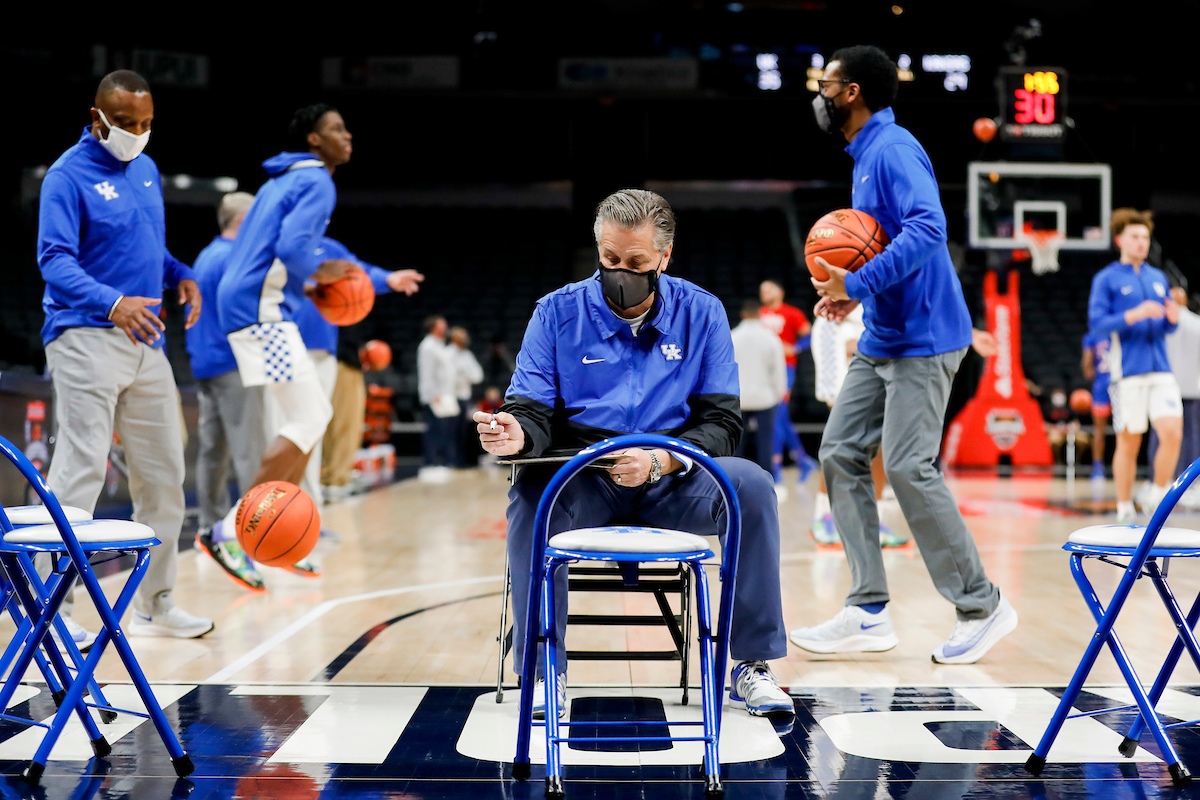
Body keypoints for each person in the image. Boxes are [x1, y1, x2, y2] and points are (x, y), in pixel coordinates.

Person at [475, 189, 792, 721]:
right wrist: (515, 435)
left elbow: (722, 423)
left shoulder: (704, 312)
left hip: (673, 474)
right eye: (610, 260)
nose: (621, 272)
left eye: (637, 263)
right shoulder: (554, 314)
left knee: (753, 487)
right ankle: (542, 662)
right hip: (584, 475)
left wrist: (664, 460)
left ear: (664, 259)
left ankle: (751, 664)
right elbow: (529, 410)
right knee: (531, 494)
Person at [788, 46, 1016, 664]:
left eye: (827, 84)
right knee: (838, 451)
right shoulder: (865, 157)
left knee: (911, 465)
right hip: (885, 332)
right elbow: (876, 250)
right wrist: (848, 298)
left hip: (926, 337)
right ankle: (867, 610)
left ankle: (982, 604)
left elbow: (927, 228)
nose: (821, 94)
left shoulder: (892, 149)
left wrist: (854, 284)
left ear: (853, 91)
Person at [37, 69, 214, 640]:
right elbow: (55, 260)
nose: (138, 133)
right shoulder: (66, 176)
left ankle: (155, 604)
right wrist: (113, 303)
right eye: (126, 123)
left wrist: (181, 273)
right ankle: (53, 613)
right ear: (97, 118)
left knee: (165, 476)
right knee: (80, 468)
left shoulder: (146, 169)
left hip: (147, 340)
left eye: (146, 124)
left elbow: (146, 246)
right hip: (85, 334)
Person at [214, 103, 364, 548]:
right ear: (314, 140)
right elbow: (295, 249)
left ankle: (278, 525)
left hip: (252, 301)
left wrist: (309, 283)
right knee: (311, 414)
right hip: (258, 308)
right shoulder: (316, 179)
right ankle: (232, 530)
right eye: (337, 128)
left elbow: (278, 251)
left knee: (311, 416)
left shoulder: (285, 179)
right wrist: (327, 271)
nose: (347, 135)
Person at [187, 192, 270, 591]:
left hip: (204, 362)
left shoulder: (207, 255)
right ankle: (254, 540)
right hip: (233, 362)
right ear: (243, 220)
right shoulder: (234, 258)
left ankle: (210, 528)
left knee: (213, 451)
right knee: (249, 454)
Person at [1089, 209, 1183, 523]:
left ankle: (1155, 495)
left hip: (1161, 369)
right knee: (1130, 440)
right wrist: (1133, 314)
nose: (1142, 242)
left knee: (1172, 432)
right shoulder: (1106, 279)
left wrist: (1171, 319)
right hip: (1126, 371)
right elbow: (1097, 324)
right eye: (1135, 237)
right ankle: (1124, 505)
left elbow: (1167, 327)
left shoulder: (1157, 277)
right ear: (1120, 240)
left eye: (1145, 237)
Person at [759, 280, 818, 494]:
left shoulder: (791, 313)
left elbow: (810, 335)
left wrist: (795, 347)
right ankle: (803, 460)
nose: (764, 293)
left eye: (769, 289)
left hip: (785, 370)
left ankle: (777, 471)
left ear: (780, 291)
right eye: (762, 290)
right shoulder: (761, 313)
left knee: (776, 417)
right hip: (764, 372)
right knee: (779, 417)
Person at [730, 300, 787, 476]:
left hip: (739, 398)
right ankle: (768, 481)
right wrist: (779, 394)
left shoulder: (732, 336)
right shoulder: (771, 338)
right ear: (760, 315)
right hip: (765, 398)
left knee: (737, 444)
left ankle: (734, 481)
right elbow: (778, 370)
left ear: (743, 315)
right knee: (765, 444)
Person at [417, 315, 459, 479]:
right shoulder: (427, 346)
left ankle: (441, 462)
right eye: (442, 325)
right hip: (435, 397)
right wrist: (432, 395)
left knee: (444, 431)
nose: (446, 328)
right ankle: (430, 463)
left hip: (446, 396)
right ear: (434, 328)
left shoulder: (440, 345)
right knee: (433, 431)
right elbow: (426, 373)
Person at [449, 326, 485, 466]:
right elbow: (449, 377)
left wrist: (464, 375)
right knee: (451, 432)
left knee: (463, 432)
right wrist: (463, 376)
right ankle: (451, 461)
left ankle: (461, 461)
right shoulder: (448, 354)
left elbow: (478, 375)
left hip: (464, 397)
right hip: (452, 397)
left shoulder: (467, 355)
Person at [1080, 330, 1113, 481]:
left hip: (1101, 387)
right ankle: (1123, 466)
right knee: (1125, 430)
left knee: (1099, 431)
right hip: (1121, 384)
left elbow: (1087, 367)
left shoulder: (1091, 336)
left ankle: (1098, 469)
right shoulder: (1121, 329)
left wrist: (1090, 369)